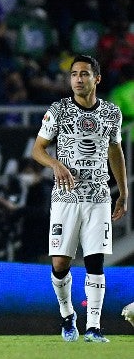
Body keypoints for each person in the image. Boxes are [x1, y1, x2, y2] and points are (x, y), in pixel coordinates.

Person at [31, 54, 128, 343]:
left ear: (96, 79)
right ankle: (67, 314)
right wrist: (55, 164)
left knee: (95, 261)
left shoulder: (111, 113)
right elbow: (38, 149)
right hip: (65, 198)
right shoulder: (58, 110)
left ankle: (94, 327)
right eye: (74, 74)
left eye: (84, 74)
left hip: (98, 196)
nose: (78, 79)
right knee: (60, 262)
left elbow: (115, 151)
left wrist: (123, 191)